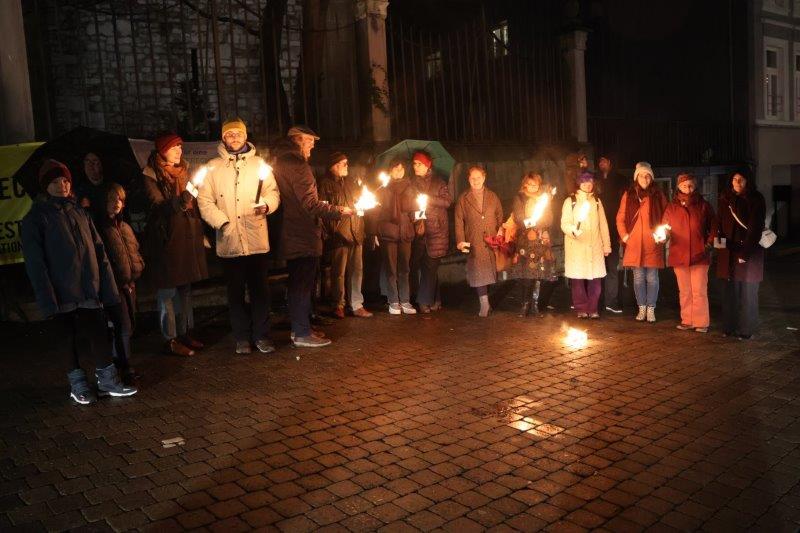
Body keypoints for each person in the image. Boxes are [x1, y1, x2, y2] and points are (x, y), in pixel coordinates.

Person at [21, 160, 137, 404]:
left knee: (99, 334)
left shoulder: (80, 213)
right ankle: (78, 384)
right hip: (61, 292)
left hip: (89, 289)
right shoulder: (36, 218)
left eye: (65, 181)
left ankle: (107, 381)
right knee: (67, 338)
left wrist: (109, 290)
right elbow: (36, 263)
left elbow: (99, 252)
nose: (62, 186)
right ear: (45, 186)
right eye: (54, 182)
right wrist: (47, 298)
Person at [197, 118, 281, 355]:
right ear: (223, 139)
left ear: (245, 137)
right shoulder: (213, 167)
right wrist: (221, 221)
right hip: (230, 240)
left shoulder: (259, 164)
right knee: (235, 293)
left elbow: (272, 192)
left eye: (238, 134)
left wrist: (266, 205)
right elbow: (204, 200)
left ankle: (262, 336)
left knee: (260, 292)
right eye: (230, 135)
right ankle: (242, 337)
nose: (234, 138)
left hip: (256, 239)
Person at [273, 125, 353, 347]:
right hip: (301, 233)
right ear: (297, 140)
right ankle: (300, 333)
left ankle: (302, 328)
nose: (313, 145)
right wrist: (338, 211)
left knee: (300, 282)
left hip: (293, 231)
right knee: (301, 284)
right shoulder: (297, 165)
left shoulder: (282, 161)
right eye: (310, 140)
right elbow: (309, 203)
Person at [142, 133, 208, 356]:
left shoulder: (184, 172)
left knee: (185, 289)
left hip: (186, 237)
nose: (179, 150)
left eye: (180, 146)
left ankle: (185, 332)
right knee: (168, 292)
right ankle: (170, 339)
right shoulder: (151, 175)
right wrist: (181, 202)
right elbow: (158, 207)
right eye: (174, 147)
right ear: (162, 151)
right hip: (166, 241)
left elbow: (193, 204)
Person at [98, 183, 144, 384]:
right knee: (122, 326)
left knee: (129, 325)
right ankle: (123, 366)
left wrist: (136, 272)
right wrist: (118, 282)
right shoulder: (101, 228)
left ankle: (123, 364)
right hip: (114, 287)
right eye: (112, 199)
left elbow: (132, 252)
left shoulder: (123, 226)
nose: (116, 203)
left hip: (129, 284)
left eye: (119, 199)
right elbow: (105, 259)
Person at [318, 152, 372, 319]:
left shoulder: (350, 183)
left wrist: (364, 205)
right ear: (333, 166)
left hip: (356, 231)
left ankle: (356, 304)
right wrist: (338, 216)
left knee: (357, 270)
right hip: (339, 234)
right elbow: (322, 209)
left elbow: (358, 202)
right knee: (338, 272)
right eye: (343, 164)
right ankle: (338, 304)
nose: (347, 166)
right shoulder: (325, 185)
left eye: (347, 163)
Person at [659, 173, 715, 333]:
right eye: (684, 185)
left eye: (690, 185)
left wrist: (708, 244)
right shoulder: (672, 207)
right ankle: (688, 320)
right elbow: (665, 227)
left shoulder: (703, 205)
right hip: (679, 254)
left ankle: (701, 322)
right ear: (678, 187)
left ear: (695, 186)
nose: (688, 188)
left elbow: (713, 225)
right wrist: (663, 237)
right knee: (684, 290)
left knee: (699, 290)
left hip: (699, 254)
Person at [715, 170, 766, 340]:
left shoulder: (756, 199)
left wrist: (745, 252)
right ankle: (729, 327)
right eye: (734, 179)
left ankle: (746, 329)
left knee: (748, 292)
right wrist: (719, 246)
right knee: (730, 292)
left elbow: (755, 228)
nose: (737, 182)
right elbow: (719, 224)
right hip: (728, 252)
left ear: (747, 181)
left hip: (748, 252)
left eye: (741, 179)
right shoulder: (725, 199)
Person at [616, 161, 667, 323]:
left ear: (651, 178)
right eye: (642, 176)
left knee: (652, 278)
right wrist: (625, 236)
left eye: (648, 176)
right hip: (635, 244)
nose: (645, 179)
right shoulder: (628, 195)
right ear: (636, 177)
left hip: (652, 243)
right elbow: (620, 218)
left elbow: (667, 216)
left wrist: (662, 234)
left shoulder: (658, 195)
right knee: (638, 278)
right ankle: (641, 308)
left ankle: (651, 308)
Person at [367, 158, 417, 315]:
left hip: (405, 232)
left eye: (402, 168)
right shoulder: (383, 188)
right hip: (388, 232)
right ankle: (393, 300)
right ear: (390, 171)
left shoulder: (410, 187)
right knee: (391, 269)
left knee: (405, 268)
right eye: (396, 168)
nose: (399, 171)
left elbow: (414, 209)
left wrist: (418, 214)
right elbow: (374, 212)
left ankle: (405, 300)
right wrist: (373, 232)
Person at [504, 172, 558, 317]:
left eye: (536, 184)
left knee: (538, 274)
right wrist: (528, 222)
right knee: (526, 275)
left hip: (540, 241)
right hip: (525, 242)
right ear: (525, 184)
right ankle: (525, 304)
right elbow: (518, 216)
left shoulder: (543, 199)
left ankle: (535, 304)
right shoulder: (520, 198)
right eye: (530, 183)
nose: (533, 186)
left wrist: (537, 222)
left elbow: (549, 219)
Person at [454, 166, 504, 317]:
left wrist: (501, 230)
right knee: (479, 272)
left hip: (491, 240)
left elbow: (499, 215)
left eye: (478, 177)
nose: (475, 181)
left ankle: (487, 300)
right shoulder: (463, 198)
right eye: (472, 178)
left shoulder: (492, 196)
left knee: (490, 272)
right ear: (468, 179)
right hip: (474, 240)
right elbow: (458, 221)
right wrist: (461, 240)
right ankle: (484, 304)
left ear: (484, 178)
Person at [561, 172, 611, 318]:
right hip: (577, 246)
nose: (588, 185)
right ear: (579, 184)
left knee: (596, 279)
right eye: (584, 183)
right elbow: (564, 223)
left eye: (590, 183)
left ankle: (593, 308)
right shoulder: (570, 201)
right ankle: (581, 308)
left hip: (595, 245)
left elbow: (603, 225)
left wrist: (606, 245)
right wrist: (572, 230)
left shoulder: (596, 201)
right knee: (578, 279)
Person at [410, 151, 452, 313]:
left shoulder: (438, 182)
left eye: (419, 164)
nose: (415, 166)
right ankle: (436, 299)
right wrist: (416, 212)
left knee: (431, 264)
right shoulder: (411, 183)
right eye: (414, 163)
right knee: (426, 266)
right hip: (420, 229)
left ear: (427, 165)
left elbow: (447, 201)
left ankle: (424, 301)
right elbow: (409, 203)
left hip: (436, 230)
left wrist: (429, 198)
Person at [596, 156, 626, 313]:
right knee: (598, 268)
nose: (602, 164)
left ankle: (611, 300)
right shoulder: (595, 179)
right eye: (600, 161)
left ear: (611, 163)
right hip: (597, 231)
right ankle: (598, 300)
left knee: (612, 268)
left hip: (613, 229)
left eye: (605, 161)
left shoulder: (620, 180)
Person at [73, 152, 109, 221]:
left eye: (95, 161)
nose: (90, 165)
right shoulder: (79, 190)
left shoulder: (111, 188)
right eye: (87, 161)